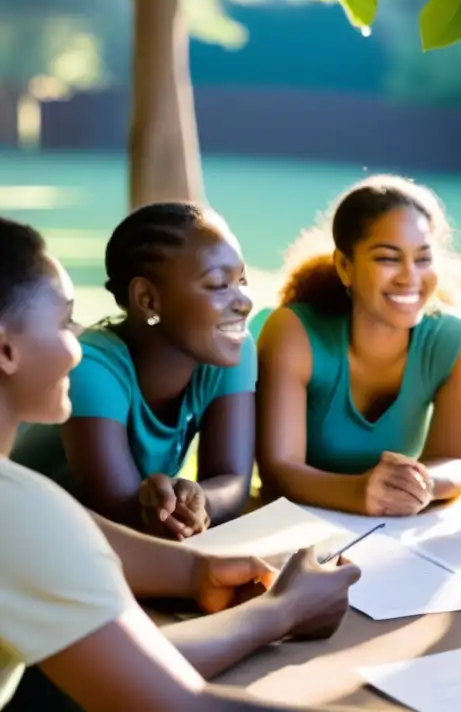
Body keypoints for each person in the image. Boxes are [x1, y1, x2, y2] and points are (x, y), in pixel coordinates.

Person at [0, 216, 363, 711]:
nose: (78, 339)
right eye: (65, 321)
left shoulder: (21, 501)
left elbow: (76, 531)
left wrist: (198, 574)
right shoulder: (17, 508)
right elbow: (172, 702)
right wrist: (282, 612)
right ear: (5, 348)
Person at [12, 202, 258, 539]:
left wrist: (200, 500)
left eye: (241, 280)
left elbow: (232, 480)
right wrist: (162, 511)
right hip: (33, 536)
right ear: (147, 299)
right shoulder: (92, 367)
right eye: (219, 285)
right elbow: (118, 511)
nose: (244, 301)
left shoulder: (231, 350)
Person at [257, 175, 461, 516]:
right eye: (388, 258)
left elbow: (454, 461)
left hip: (389, 535)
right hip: (295, 528)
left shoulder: (460, 342)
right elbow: (278, 471)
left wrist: (422, 483)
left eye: (423, 259)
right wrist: (358, 493)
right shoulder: (293, 333)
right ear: (345, 266)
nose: (410, 277)